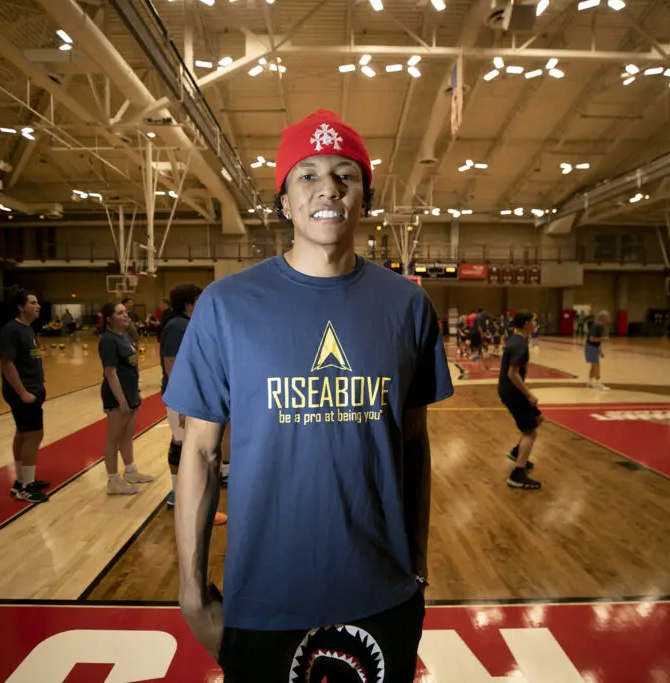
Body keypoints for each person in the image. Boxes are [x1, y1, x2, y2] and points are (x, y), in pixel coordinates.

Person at [165, 109, 453, 681]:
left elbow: (415, 445)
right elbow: (197, 452)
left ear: (364, 198)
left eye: (346, 173)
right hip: (264, 597)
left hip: (383, 592)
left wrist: (416, 564)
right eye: (308, 173)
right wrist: (192, 592)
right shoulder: (226, 306)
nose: (328, 187)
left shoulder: (407, 305)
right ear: (284, 199)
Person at [159, 284, 229, 514]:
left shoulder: (187, 323)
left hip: (188, 396)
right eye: (201, 299)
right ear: (189, 303)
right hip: (183, 397)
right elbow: (171, 365)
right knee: (185, 446)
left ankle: (179, 496)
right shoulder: (177, 326)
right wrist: (184, 402)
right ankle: (181, 499)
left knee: (183, 444)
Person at [96, 301, 155, 495]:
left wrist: (135, 391)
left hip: (130, 393)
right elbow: (110, 373)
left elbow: (131, 368)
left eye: (125, 312)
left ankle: (130, 471)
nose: (125, 315)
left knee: (127, 434)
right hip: (116, 396)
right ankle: (113, 480)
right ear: (109, 318)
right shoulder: (108, 340)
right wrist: (121, 400)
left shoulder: (126, 336)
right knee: (114, 438)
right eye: (120, 313)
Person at [0, 291, 50, 503]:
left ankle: (21, 480)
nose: (38, 305)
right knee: (34, 435)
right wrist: (22, 392)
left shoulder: (27, 329)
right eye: (33, 302)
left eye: (37, 302)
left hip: (33, 389)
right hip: (23, 392)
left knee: (22, 434)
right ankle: (26, 488)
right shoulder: (11, 330)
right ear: (21, 307)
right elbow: (6, 364)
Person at [499, 311, 542, 490]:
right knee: (530, 432)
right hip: (513, 392)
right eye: (534, 321)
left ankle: (517, 452)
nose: (536, 324)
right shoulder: (520, 345)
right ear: (525, 324)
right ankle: (517, 474)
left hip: (509, 390)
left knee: (538, 418)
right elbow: (513, 374)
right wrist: (529, 394)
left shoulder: (517, 340)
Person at [585, 310, 611, 391]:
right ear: (603, 318)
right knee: (596, 366)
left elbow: (598, 342)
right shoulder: (597, 326)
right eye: (608, 317)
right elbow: (592, 339)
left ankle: (590, 382)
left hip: (593, 347)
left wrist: (600, 351)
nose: (609, 319)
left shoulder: (600, 326)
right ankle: (598, 383)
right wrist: (603, 339)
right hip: (591, 347)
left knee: (593, 367)